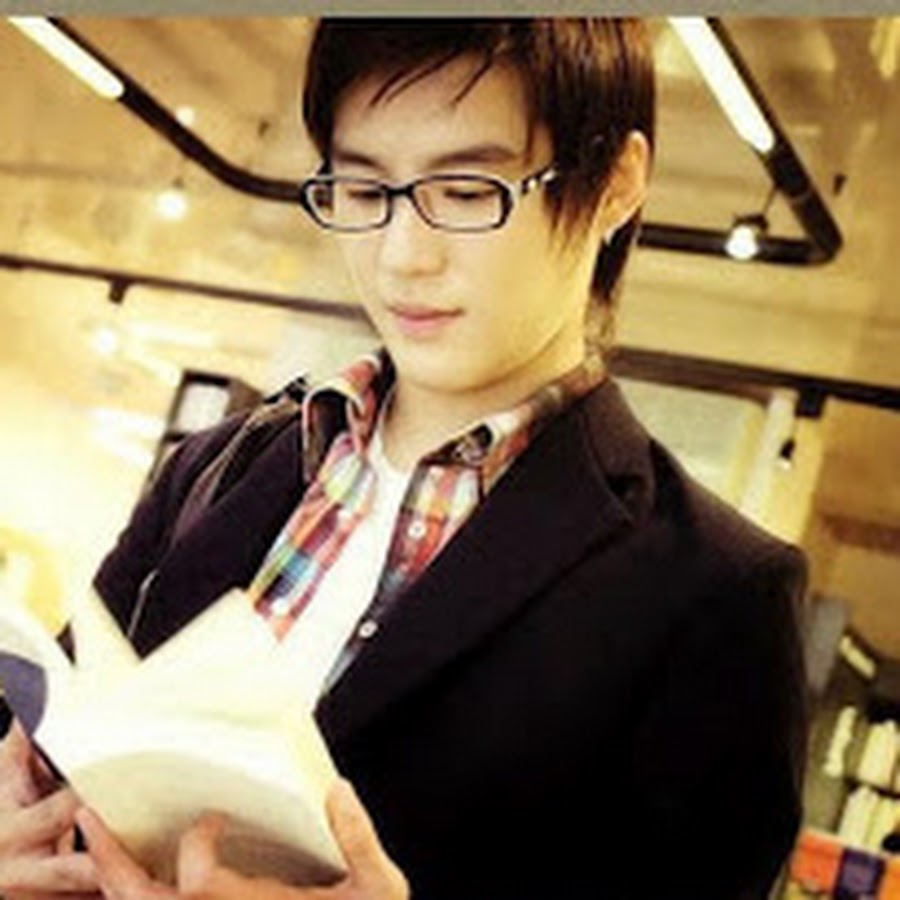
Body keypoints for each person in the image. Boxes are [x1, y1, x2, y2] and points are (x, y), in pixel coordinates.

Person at [0, 17, 808, 900]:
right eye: (362, 189)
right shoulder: (213, 469)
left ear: (615, 183)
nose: (402, 256)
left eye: (465, 191)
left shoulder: (717, 596)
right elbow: (50, 768)